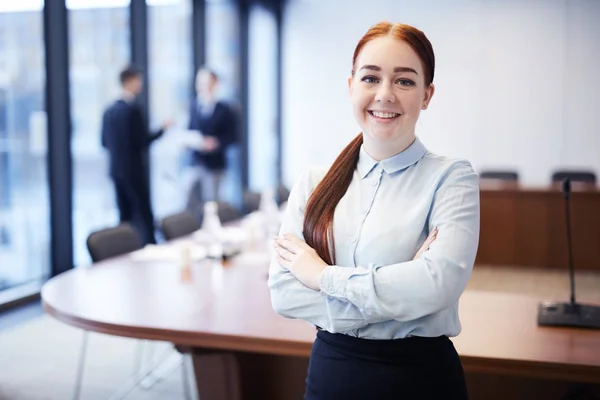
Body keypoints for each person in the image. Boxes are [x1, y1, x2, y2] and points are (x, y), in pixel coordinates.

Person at [269, 22, 480, 400]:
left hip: (420, 380)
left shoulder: (452, 178)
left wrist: (323, 277)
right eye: (370, 78)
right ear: (351, 86)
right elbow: (284, 294)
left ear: (427, 95)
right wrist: (401, 298)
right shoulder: (313, 183)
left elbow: (438, 285)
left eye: (404, 81)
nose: (385, 95)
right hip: (331, 376)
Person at [101, 65, 171, 245]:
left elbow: (103, 142)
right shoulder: (132, 110)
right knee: (143, 212)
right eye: (138, 80)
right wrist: (163, 129)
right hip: (133, 170)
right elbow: (142, 141)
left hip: (116, 170)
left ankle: (125, 248)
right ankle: (150, 246)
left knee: (124, 215)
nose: (140, 85)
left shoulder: (109, 110)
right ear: (130, 81)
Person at [185, 67, 237, 204]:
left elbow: (233, 136)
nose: (203, 86)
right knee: (190, 199)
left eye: (207, 82)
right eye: (200, 82)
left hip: (215, 164)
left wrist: (216, 142)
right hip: (196, 161)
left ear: (215, 83)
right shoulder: (193, 105)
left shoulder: (225, 109)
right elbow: (190, 129)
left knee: (212, 202)